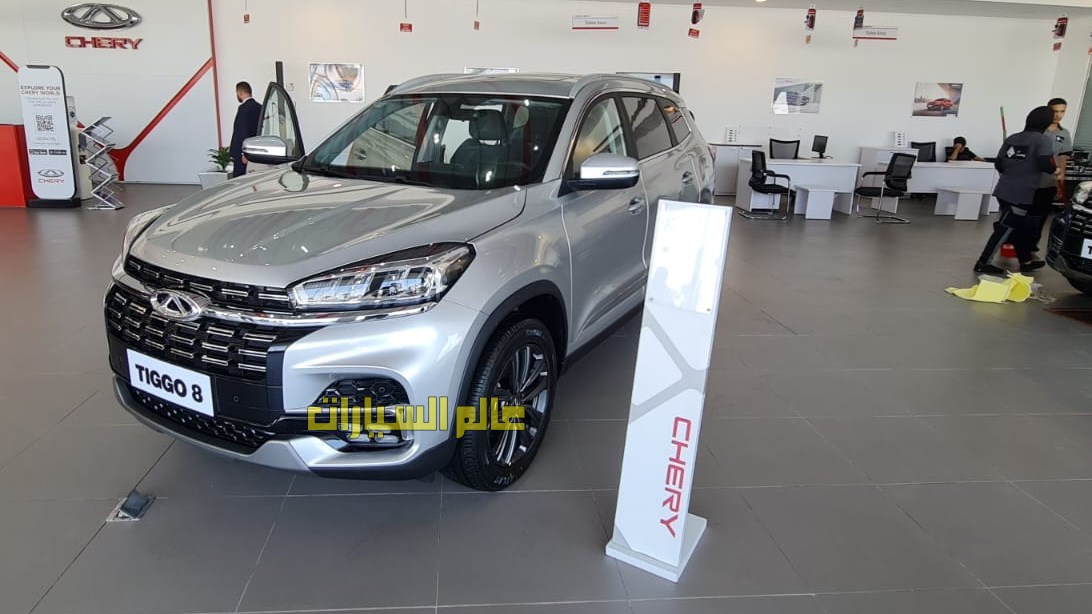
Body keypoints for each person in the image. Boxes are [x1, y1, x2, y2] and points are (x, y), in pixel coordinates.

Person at [973, 106, 1056, 275]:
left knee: (1017, 228)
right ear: (1046, 123)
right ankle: (982, 262)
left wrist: (1014, 171)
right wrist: (1056, 170)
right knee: (1005, 229)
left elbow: (999, 163)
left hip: (1004, 188)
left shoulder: (1013, 138)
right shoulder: (1043, 140)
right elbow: (1046, 165)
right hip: (1022, 193)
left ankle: (1025, 261)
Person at [1029, 97, 1073, 251]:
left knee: (1041, 216)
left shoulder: (1064, 133)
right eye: (1055, 111)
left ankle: (1031, 247)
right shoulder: (1037, 130)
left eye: (1062, 112)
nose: (1058, 115)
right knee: (1025, 214)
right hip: (1030, 180)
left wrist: (1061, 179)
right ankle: (1015, 243)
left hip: (1049, 181)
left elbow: (1063, 157)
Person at [229, 81, 262, 178]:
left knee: (240, 178)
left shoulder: (243, 108)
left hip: (243, 152)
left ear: (240, 93)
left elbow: (242, 131)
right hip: (256, 149)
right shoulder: (260, 107)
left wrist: (244, 152)